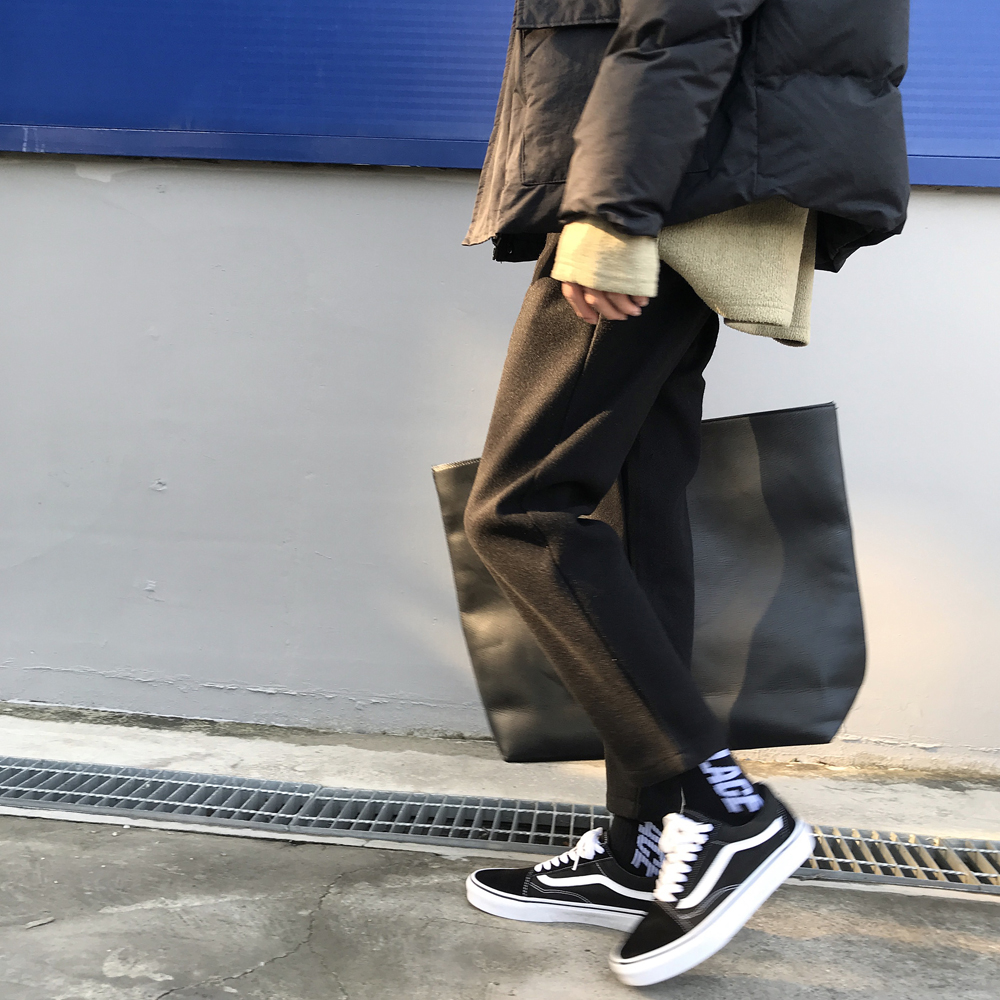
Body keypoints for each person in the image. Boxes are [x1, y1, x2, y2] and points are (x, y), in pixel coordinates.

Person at [460, 0, 909, 987]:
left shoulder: (639, 194)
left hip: (669, 179)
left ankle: (721, 807)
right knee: (631, 504)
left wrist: (613, 207)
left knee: (523, 508)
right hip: (697, 165)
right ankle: (643, 842)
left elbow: (680, 20)